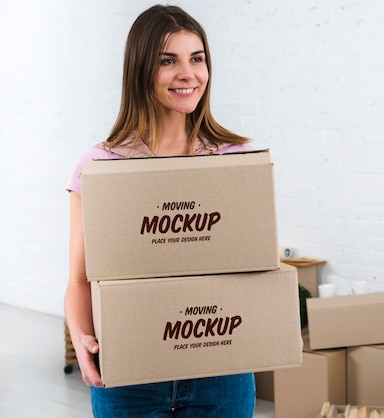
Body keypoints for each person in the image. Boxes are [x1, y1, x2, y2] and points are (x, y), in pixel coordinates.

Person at [65, 5, 256, 417]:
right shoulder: (100, 167)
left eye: (197, 58)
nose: (188, 74)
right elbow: (80, 281)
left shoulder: (237, 159)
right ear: (139, 69)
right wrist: (81, 339)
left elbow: (254, 268)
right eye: (168, 60)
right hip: (130, 374)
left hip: (221, 371)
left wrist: (272, 322)